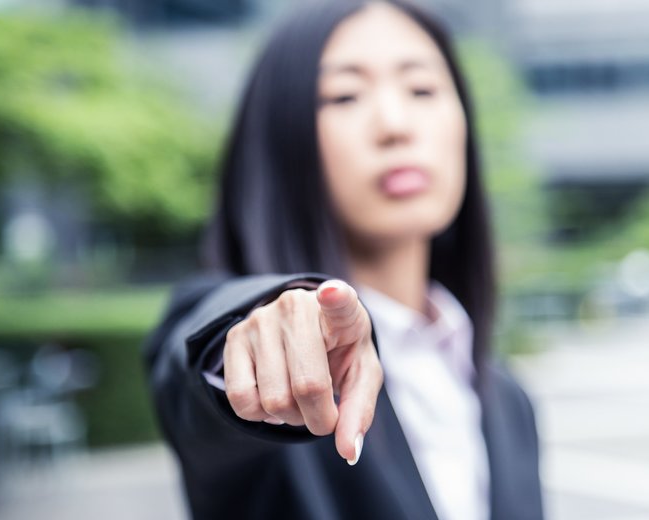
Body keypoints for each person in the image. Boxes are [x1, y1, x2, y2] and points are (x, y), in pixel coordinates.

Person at [144, 1, 544, 519]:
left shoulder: (509, 401)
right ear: (282, 139)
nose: (395, 125)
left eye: (422, 89)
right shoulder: (278, 376)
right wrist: (256, 331)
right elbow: (198, 358)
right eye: (344, 95)